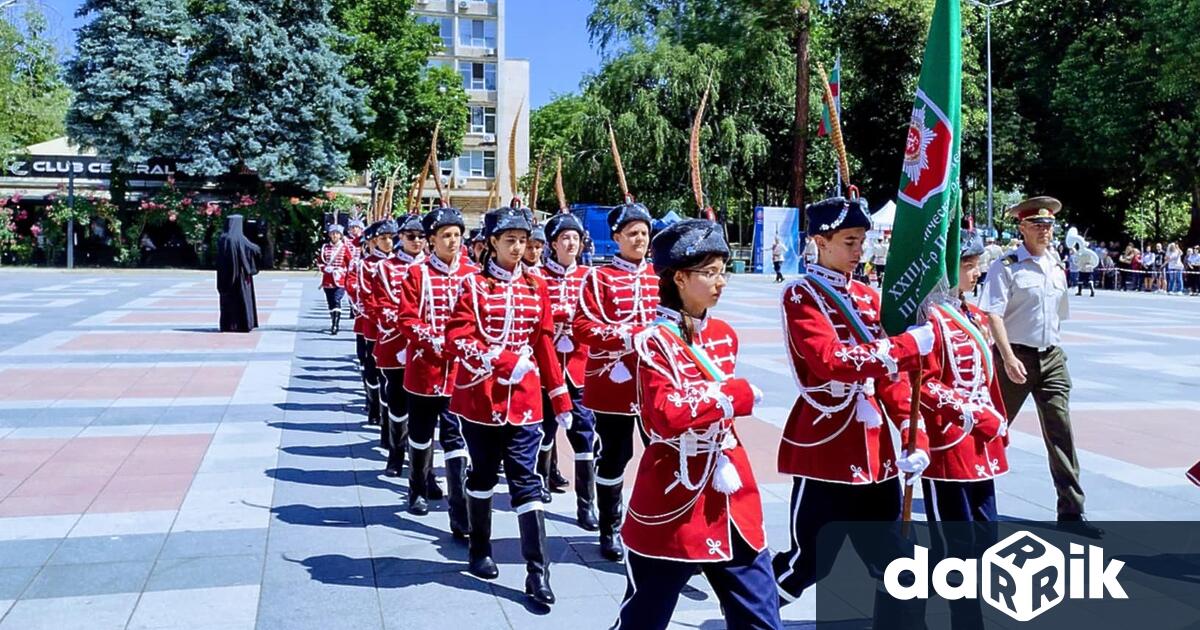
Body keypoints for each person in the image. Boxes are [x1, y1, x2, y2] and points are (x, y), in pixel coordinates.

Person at [612, 219, 782, 630]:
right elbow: (666, 414)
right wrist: (729, 396)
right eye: (710, 272)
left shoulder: (724, 334)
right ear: (680, 278)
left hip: (731, 496)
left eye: (723, 270)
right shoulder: (653, 339)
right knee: (643, 619)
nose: (720, 281)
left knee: (761, 618)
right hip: (675, 498)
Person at [772, 196, 933, 627]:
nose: (859, 250)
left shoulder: (866, 295)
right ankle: (750, 613)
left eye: (862, 240)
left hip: (875, 454)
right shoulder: (801, 295)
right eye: (849, 241)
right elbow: (831, 359)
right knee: (809, 563)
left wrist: (911, 433)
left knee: (898, 562)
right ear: (820, 242)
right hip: (828, 446)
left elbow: (891, 377)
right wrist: (903, 346)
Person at [444, 206, 572, 606]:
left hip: (526, 402)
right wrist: (501, 361)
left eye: (523, 241)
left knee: (525, 481)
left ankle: (538, 573)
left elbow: (545, 346)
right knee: (482, 476)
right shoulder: (473, 286)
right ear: (492, 243)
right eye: (510, 240)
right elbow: (457, 338)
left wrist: (559, 396)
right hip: (480, 399)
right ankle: (479, 548)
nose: (518, 248)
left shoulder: (538, 288)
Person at [981, 196, 1102, 538]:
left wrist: (1054, 349)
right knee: (993, 427)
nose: (1045, 232)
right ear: (1022, 228)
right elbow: (993, 313)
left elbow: (1058, 314)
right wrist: (1007, 357)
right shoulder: (1005, 266)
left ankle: (1072, 511)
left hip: (1051, 357)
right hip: (1015, 356)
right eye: (1037, 225)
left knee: (1061, 430)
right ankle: (973, 495)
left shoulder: (1055, 264)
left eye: (1049, 226)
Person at [918, 232, 1010, 630]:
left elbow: (984, 378)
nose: (977, 270)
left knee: (985, 539)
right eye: (968, 263)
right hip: (948, 447)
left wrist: (993, 417)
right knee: (953, 547)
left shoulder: (972, 314)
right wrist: (970, 412)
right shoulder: (929, 317)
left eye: (975, 263)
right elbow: (922, 381)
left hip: (981, 446)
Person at [572, 202, 659, 562]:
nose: (640, 239)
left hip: (656, 380)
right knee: (616, 455)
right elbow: (584, 326)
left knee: (662, 454)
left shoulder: (662, 276)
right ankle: (610, 528)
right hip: (614, 381)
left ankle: (656, 526)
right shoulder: (599, 277)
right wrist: (627, 336)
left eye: (644, 233)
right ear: (616, 238)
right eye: (632, 233)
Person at [397, 206, 475, 525]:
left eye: (457, 235)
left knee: (456, 438)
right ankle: (417, 487)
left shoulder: (471, 275)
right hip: (424, 369)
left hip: (459, 373)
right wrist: (432, 339)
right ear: (432, 240)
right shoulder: (417, 274)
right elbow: (407, 318)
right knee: (420, 434)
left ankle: (459, 507)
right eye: (446, 235)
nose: (453, 241)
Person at [538, 210, 600, 528]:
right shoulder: (537, 277)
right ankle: (543, 476)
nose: (572, 243)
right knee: (544, 429)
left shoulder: (589, 276)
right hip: (545, 366)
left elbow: (596, 314)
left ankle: (586, 504)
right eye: (565, 238)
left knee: (584, 434)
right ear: (553, 243)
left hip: (579, 365)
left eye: (576, 238)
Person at [367, 214, 426, 476]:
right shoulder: (386, 267)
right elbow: (381, 305)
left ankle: (421, 469)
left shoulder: (431, 268)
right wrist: (407, 325)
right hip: (395, 345)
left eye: (421, 236)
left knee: (422, 411)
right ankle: (395, 452)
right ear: (400, 238)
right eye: (410, 236)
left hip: (425, 347)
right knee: (398, 402)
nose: (416, 241)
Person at [216, 214, 261, 333]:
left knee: (227, 301)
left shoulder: (222, 238)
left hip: (225, 276)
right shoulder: (241, 238)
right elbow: (255, 249)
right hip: (241, 277)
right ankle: (242, 324)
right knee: (241, 300)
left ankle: (228, 325)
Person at [317, 223, 353, 334]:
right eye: (332, 233)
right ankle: (333, 319)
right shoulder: (325, 248)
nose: (334, 236)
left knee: (337, 300)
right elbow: (320, 262)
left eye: (337, 234)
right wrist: (324, 268)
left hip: (340, 278)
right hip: (328, 279)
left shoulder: (344, 248)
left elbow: (349, 263)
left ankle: (335, 325)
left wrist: (345, 274)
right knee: (331, 302)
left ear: (341, 235)